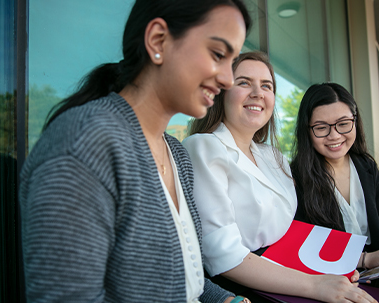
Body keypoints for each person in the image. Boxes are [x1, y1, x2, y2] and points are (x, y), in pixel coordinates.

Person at [19, 1, 253, 302]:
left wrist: (221, 299)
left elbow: (180, 276)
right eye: (218, 55)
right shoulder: (85, 145)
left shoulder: (176, 154)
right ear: (158, 40)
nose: (228, 79)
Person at [183, 52, 376, 303]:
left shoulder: (272, 156)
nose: (257, 93)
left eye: (267, 86)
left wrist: (348, 262)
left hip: (289, 274)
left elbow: (292, 230)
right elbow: (223, 255)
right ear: (221, 92)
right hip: (240, 290)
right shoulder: (203, 148)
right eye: (244, 82)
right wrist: (315, 285)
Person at [290, 83, 379, 273]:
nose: (334, 136)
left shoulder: (366, 166)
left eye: (343, 124)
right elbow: (303, 243)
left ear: (355, 122)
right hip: (331, 276)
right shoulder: (295, 177)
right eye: (321, 127)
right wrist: (365, 259)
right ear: (307, 130)